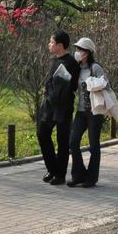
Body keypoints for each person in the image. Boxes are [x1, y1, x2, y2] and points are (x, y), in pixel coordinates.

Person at [37, 30, 80, 186]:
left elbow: (73, 86)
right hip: (49, 105)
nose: (49, 44)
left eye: (52, 42)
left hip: (63, 106)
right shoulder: (53, 60)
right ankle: (52, 168)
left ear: (60, 45)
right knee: (42, 134)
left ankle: (60, 174)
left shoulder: (71, 63)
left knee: (62, 141)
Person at [68, 37, 107, 188]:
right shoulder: (78, 68)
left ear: (88, 52)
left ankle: (91, 178)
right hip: (81, 111)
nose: (77, 52)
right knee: (73, 141)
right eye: (77, 49)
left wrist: (93, 84)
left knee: (93, 145)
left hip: (95, 112)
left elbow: (106, 84)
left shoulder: (95, 67)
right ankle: (78, 175)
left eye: (81, 50)